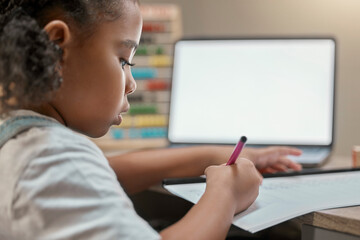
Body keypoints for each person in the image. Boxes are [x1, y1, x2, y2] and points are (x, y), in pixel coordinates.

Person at [0, 0, 302, 239]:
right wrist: (226, 194)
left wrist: (214, 155)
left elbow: (109, 171)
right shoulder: (52, 156)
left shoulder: (21, 139)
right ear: (56, 50)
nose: (131, 83)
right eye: (123, 60)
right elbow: (77, 169)